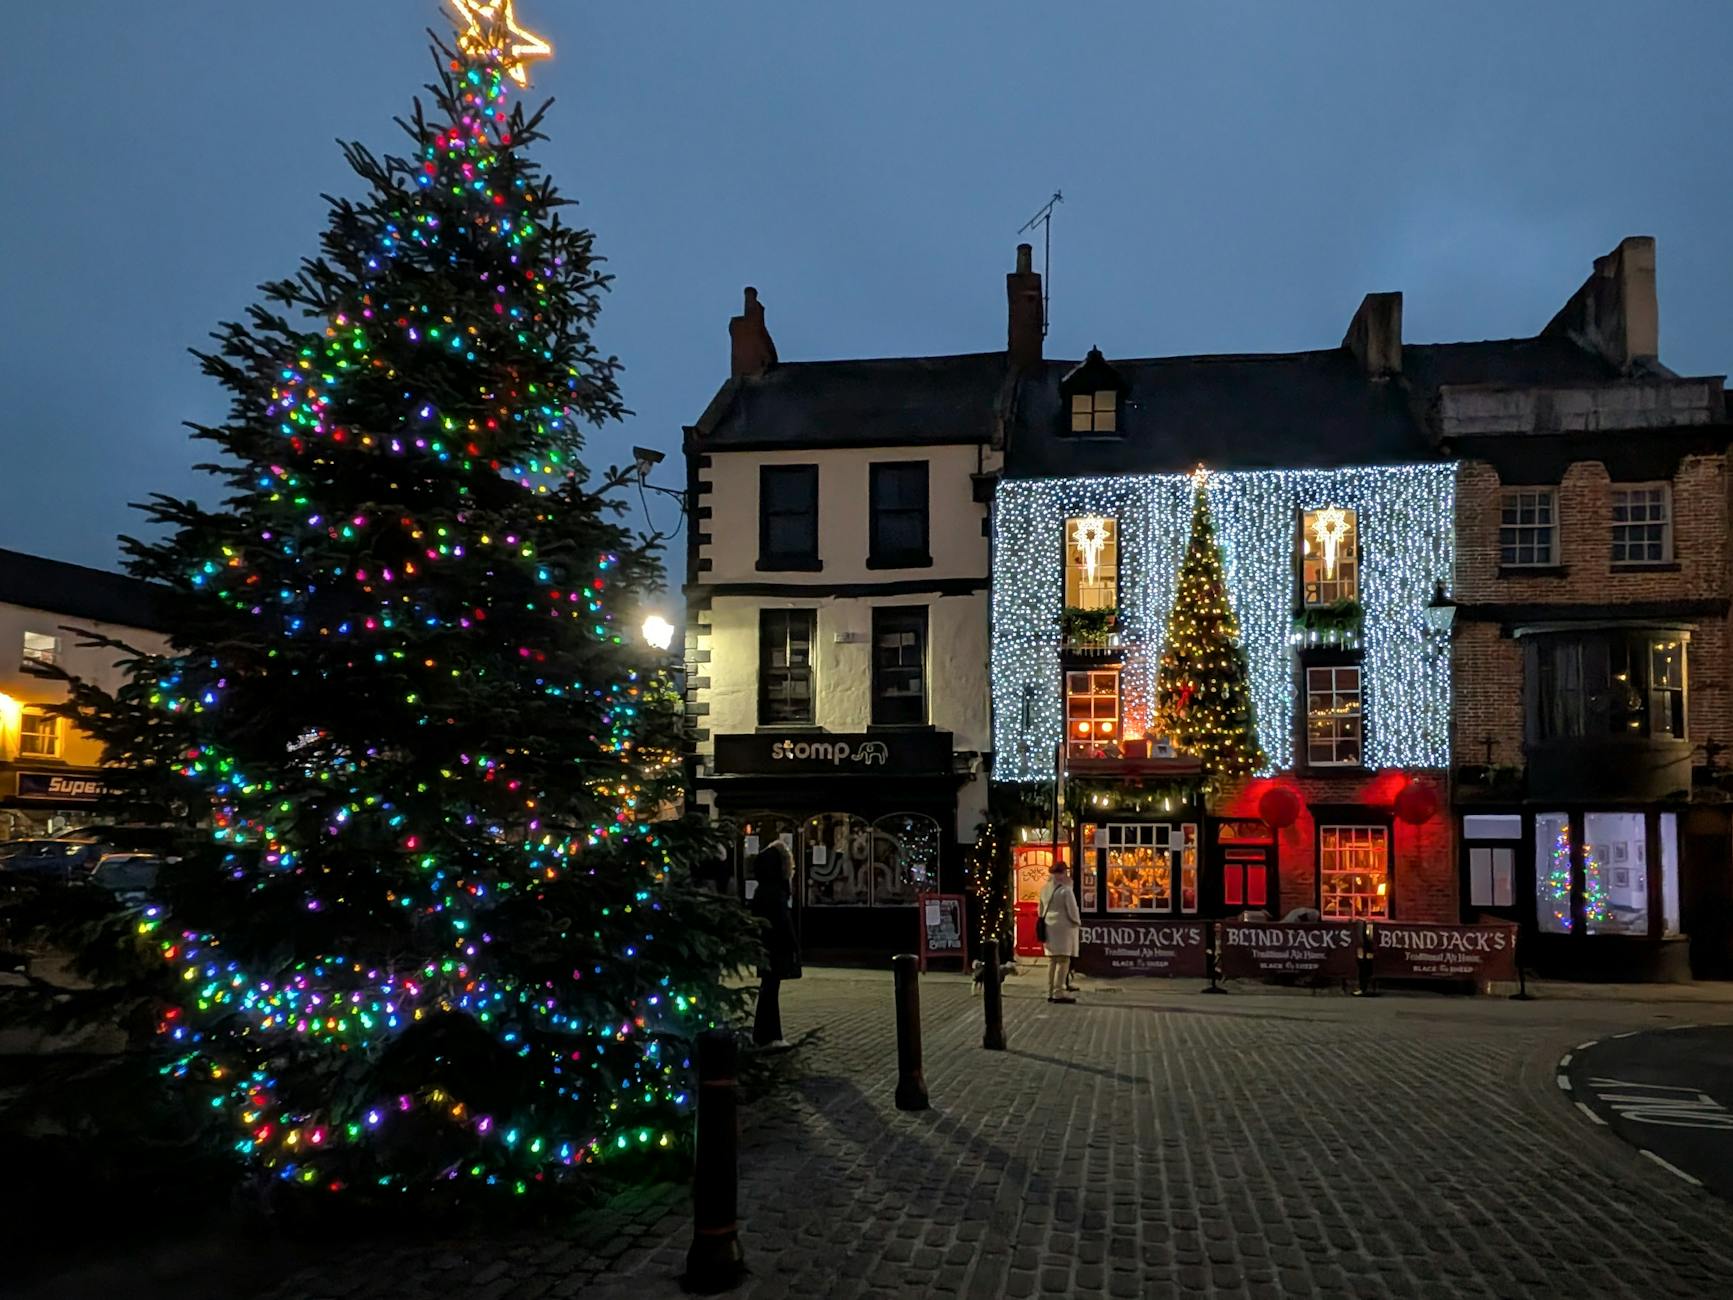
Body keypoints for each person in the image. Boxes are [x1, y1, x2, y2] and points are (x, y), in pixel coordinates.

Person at [748, 840, 801, 1048]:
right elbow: (782, 921)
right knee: (770, 989)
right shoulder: (775, 892)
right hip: (775, 947)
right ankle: (769, 1035)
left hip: (767, 947)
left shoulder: (763, 889)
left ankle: (766, 1034)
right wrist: (793, 944)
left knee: (769, 989)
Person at [1038, 861, 1082, 1003]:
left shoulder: (1045, 889)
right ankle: (1059, 991)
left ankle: (1050, 990)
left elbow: (1040, 910)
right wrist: (1077, 922)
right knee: (1063, 960)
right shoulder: (1065, 890)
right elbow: (1072, 911)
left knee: (1052, 960)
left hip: (1048, 926)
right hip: (1063, 927)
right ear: (1062, 873)